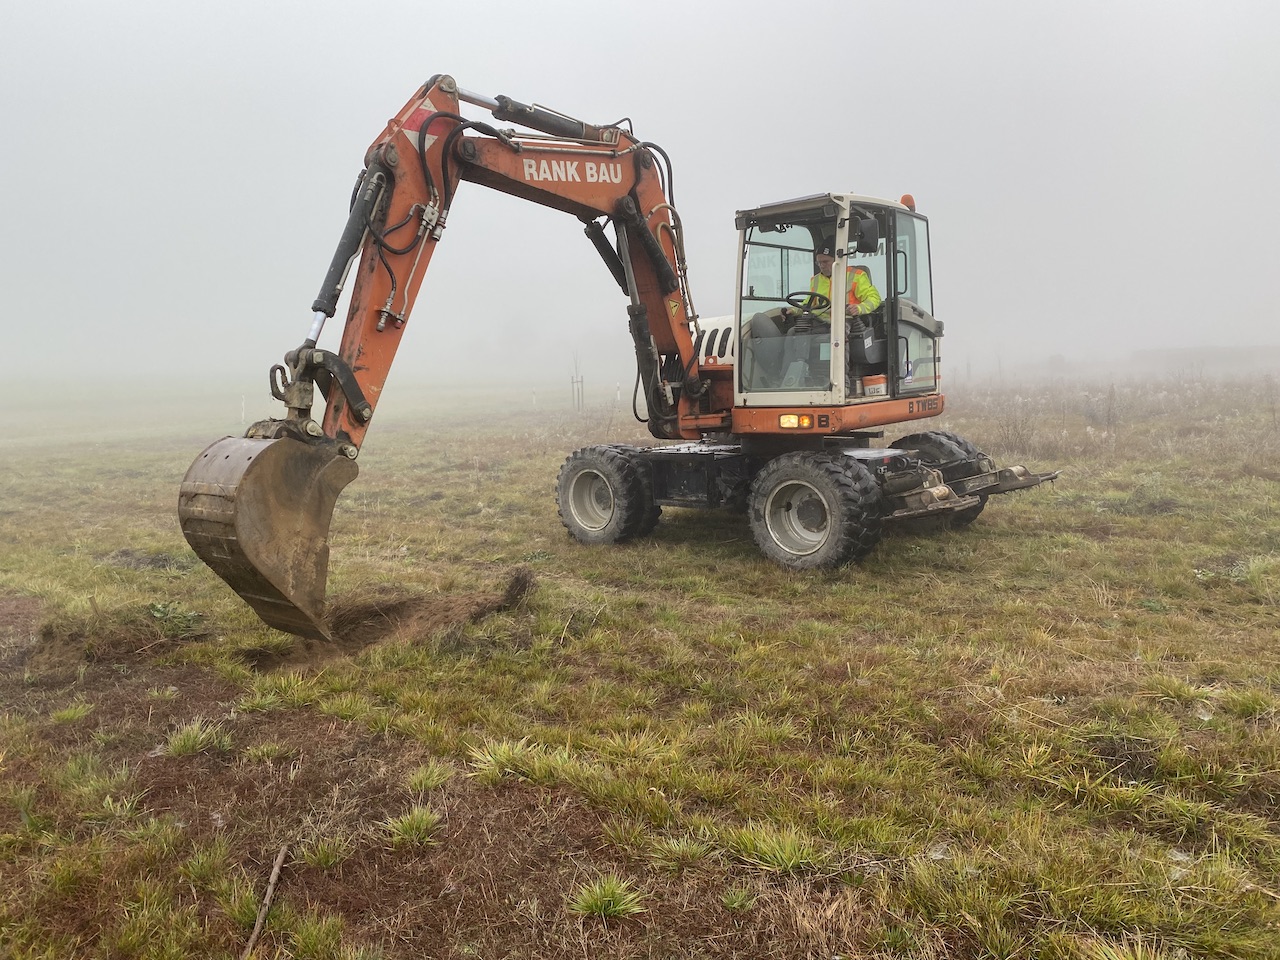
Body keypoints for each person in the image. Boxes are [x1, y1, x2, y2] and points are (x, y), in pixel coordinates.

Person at [809, 242, 881, 323]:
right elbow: (808, 304)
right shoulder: (815, 280)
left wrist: (859, 308)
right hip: (820, 321)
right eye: (819, 262)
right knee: (793, 331)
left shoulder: (856, 276)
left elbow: (874, 298)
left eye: (825, 262)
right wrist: (794, 310)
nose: (821, 266)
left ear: (837, 260)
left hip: (847, 320)